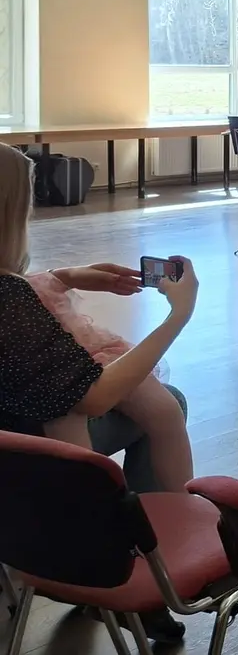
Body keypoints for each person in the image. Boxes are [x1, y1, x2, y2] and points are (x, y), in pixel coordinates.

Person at [0, 147, 200, 645]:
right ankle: (135, 564)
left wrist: (66, 276)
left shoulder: (15, 293)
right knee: (166, 404)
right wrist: (178, 315)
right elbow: (92, 397)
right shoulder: (10, 299)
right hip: (25, 448)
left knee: (157, 405)